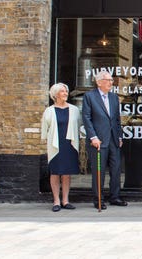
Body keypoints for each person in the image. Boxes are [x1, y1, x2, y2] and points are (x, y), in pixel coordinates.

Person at [82, 70, 127, 209]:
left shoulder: (114, 97)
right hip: (98, 140)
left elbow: (117, 119)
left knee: (116, 169)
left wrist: (119, 135)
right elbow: (87, 118)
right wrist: (93, 137)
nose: (111, 83)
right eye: (108, 80)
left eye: (111, 80)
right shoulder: (89, 97)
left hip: (113, 139)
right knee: (99, 171)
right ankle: (99, 199)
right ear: (99, 82)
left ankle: (115, 196)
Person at [40, 83, 81, 212]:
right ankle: (56, 201)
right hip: (55, 144)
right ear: (55, 94)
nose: (65, 93)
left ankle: (65, 200)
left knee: (67, 173)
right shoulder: (49, 111)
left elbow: (79, 125)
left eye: (66, 91)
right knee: (55, 172)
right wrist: (44, 140)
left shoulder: (74, 110)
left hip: (69, 144)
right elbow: (44, 128)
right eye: (62, 91)